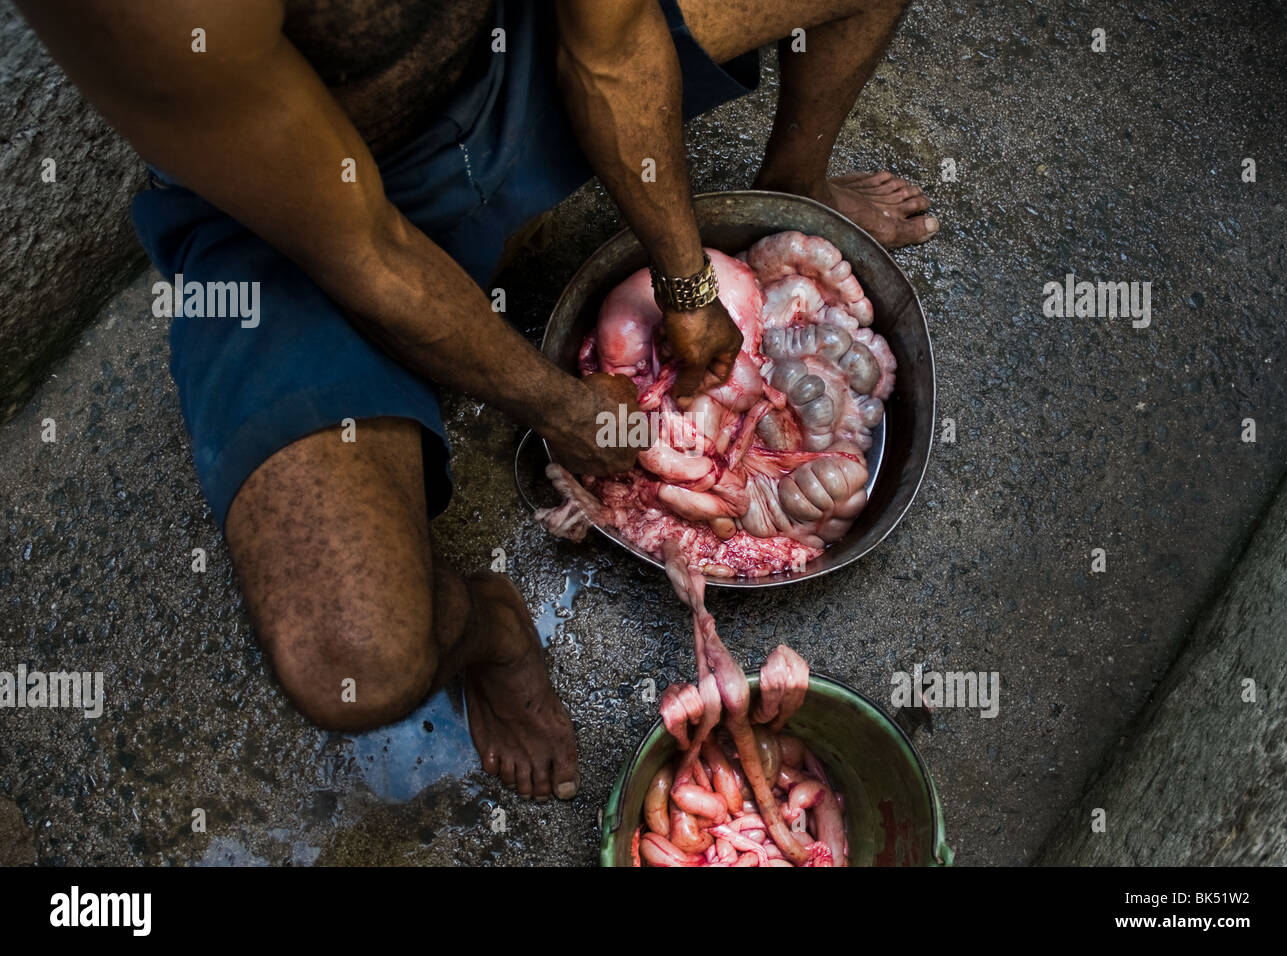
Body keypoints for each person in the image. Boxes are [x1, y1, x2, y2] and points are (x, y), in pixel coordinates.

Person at [16, 0, 936, 801]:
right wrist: (561, 407)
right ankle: (487, 627)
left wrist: (690, 284)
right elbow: (365, 247)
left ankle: (793, 187)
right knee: (356, 662)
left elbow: (608, 45)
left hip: (519, 59)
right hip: (297, 216)